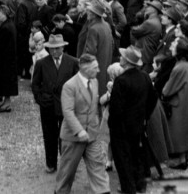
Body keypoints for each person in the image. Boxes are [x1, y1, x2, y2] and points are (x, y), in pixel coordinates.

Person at [54, 54, 110, 194]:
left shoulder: (95, 82)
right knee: (67, 172)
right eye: (96, 68)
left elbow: (94, 105)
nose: (99, 71)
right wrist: (79, 131)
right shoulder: (70, 86)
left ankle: (103, 191)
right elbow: (67, 111)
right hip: (73, 137)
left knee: (98, 167)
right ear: (85, 69)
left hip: (92, 135)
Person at [109, 46, 157, 194]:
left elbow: (115, 109)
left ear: (128, 62)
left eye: (123, 57)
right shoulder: (144, 77)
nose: (120, 58)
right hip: (138, 126)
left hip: (121, 129)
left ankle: (128, 189)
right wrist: (145, 117)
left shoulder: (121, 81)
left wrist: (112, 125)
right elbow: (153, 99)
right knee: (137, 156)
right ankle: (140, 185)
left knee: (123, 162)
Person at [31, 34, 79, 174]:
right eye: (51, 49)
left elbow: (78, 83)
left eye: (57, 48)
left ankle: (66, 164)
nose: (54, 51)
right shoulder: (42, 63)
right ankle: (51, 163)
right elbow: (35, 84)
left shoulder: (72, 62)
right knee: (49, 135)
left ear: (63, 47)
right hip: (48, 105)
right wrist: (40, 99)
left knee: (66, 136)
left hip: (66, 106)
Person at [162, 37, 188, 169]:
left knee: (179, 132)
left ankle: (181, 160)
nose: (171, 48)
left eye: (173, 46)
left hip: (178, 104)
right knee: (187, 130)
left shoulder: (178, 68)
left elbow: (167, 90)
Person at [0, 5, 19, 112]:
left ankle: (7, 104)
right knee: (6, 82)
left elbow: (0, 44)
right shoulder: (9, 25)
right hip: (8, 58)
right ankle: (6, 102)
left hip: (5, 59)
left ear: (4, 14)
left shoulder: (6, 27)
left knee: (6, 82)